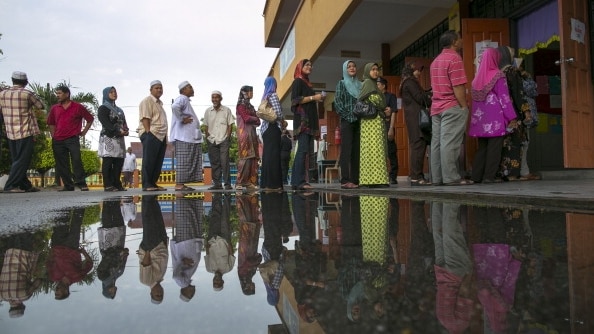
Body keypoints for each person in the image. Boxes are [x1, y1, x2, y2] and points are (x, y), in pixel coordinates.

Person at [429, 30, 472, 186]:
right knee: (450, 143)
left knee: (437, 144)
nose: (461, 40)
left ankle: (437, 178)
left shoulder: (435, 61)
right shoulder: (455, 58)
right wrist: (464, 107)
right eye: (459, 38)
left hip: (436, 108)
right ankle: (451, 178)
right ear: (454, 41)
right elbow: (458, 87)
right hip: (451, 106)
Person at [469, 48, 517, 184]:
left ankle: (476, 176)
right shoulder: (498, 75)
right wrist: (511, 117)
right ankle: (489, 177)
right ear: (495, 59)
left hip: (480, 120)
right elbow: (504, 98)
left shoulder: (476, 79)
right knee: (494, 148)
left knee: (482, 148)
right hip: (494, 118)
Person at [0, 71, 44, 193]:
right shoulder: (27, 93)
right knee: (22, 160)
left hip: (9, 131)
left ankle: (26, 185)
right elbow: (41, 106)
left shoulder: (3, 94)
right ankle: (10, 186)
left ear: (12, 80)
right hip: (25, 131)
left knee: (17, 159)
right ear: (25, 82)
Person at [47, 85, 94, 191]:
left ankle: (81, 184)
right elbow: (51, 123)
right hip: (58, 139)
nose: (57, 96)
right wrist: (53, 136)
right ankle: (68, 185)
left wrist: (84, 132)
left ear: (67, 94)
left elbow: (90, 119)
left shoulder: (78, 107)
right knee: (62, 163)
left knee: (76, 160)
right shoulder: (55, 108)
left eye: (59, 93)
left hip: (72, 138)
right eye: (57, 93)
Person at [290, 59, 325, 190]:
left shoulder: (307, 84)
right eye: (307, 65)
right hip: (303, 122)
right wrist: (314, 98)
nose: (310, 67)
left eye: (311, 65)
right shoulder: (298, 81)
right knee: (302, 151)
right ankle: (299, 182)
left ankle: (297, 181)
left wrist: (319, 98)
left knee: (305, 152)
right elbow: (295, 100)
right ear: (300, 67)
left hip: (310, 121)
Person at [47, 208, 93, 300]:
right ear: (66, 292)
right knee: (76, 222)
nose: (56, 290)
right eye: (58, 293)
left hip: (57, 245)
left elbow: (49, 262)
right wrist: (84, 252)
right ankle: (80, 201)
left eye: (55, 292)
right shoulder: (77, 277)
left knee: (61, 220)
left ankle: (64, 199)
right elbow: (89, 264)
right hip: (72, 246)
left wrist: (51, 252)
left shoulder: (53, 276)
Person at [400, 63, 432, 185]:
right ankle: (416, 177)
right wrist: (429, 95)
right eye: (417, 70)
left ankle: (417, 176)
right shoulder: (410, 82)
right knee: (419, 146)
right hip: (416, 119)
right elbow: (420, 98)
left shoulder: (406, 82)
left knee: (417, 146)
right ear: (411, 71)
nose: (419, 73)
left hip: (412, 119)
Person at [358, 62, 389, 187]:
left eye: (377, 69)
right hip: (370, 123)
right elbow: (377, 101)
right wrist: (383, 106)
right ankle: (371, 180)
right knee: (372, 150)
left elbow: (380, 101)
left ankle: (377, 179)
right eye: (373, 70)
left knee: (377, 150)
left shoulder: (374, 85)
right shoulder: (368, 83)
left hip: (376, 121)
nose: (376, 72)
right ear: (367, 71)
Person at [0, 232, 42, 318]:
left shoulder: (24, 296)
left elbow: (38, 281)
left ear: (22, 306)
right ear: (10, 308)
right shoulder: (0, 296)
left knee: (26, 229)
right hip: (9, 253)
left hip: (23, 254)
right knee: (14, 229)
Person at [171, 81, 203, 192]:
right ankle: (179, 185)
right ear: (183, 90)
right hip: (183, 137)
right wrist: (182, 119)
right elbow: (175, 107)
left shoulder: (185, 100)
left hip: (187, 137)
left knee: (186, 160)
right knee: (183, 161)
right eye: (190, 87)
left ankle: (181, 184)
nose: (192, 88)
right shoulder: (182, 98)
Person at [334, 60, 361, 189]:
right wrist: (349, 116)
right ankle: (345, 180)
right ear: (345, 69)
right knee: (347, 150)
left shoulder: (360, 85)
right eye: (349, 66)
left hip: (359, 121)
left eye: (354, 66)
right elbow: (338, 104)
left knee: (356, 151)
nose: (352, 68)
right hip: (346, 121)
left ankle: (355, 179)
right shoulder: (341, 84)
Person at [170, 197, 203, 302]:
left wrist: (183, 262)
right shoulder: (187, 279)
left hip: (185, 244)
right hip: (191, 242)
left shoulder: (182, 283)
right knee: (192, 216)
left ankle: (182, 197)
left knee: (186, 216)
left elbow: (175, 276)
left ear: (185, 292)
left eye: (191, 294)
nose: (193, 292)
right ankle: (186, 198)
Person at [137, 195, 169, 304]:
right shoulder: (160, 278)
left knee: (149, 219)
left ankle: (146, 196)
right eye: (161, 294)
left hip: (151, 247)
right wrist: (165, 244)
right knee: (157, 217)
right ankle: (152, 198)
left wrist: (148, 249)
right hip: (160, 244)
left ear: (151, 293)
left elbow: (146, 264)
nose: (159, 292)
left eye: (157, 295)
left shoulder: (146, 281)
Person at [137, 80, 168, 192]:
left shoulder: (160, 104)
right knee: (149, 160)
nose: (159, 90)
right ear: (151, 90)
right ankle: (146, 184)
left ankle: (153, 183)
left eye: (161, 88)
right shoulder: (147, 101)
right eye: (156, 88)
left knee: (157, 161)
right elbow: (145, 118)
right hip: (151, 133)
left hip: (161, 136)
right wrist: (148, 132)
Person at [97, 86, 129, 192]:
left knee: (119, 161)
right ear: (106, 94)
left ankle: (117, 183)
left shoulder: (120, 110)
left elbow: (124, 123)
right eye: (111, 92)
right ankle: (108, 184)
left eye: (115, 92)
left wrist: (126, 130)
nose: (114, 93)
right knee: (108, 161)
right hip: (108, 138)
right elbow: (105, 123)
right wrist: (116, 131)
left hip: (119, 139)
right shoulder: (103, 108)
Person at [97, 200, 129, 299]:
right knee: (117, 214)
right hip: (119, 241)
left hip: (108, 243)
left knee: (107, 214)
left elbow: (106, 259)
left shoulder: (103, 277)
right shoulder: (119, 274)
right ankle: (115, 197)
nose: (113, 290)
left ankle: (107, 195)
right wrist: (125, 253)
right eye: (114, 292)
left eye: (110, 292)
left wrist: (118, 253)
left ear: (106, 290)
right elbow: (123, 260)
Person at [204, 90, 235, 190]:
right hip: (212, 140)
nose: (214, 99)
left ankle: (227, 184)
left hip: (223, 140)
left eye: (216, 97)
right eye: (213, 97)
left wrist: (228, 137)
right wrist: (208, 137)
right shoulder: (208, 111)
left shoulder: (226, 110)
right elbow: (206, 126)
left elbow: (230, 124)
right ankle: (217, 183)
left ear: (221, 98)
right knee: (214, 162)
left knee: (224, 162)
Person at [205, 193, 235, 292]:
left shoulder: (209, 268)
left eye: (214, 283)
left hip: (212, 239)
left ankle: (217, 196)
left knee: (215, 215)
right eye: (218, 283)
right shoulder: (228, 268)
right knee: (225, 217)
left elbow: (207, 254)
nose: (216, 281)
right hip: (224, 239)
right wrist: (228, 242)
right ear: (222, 282)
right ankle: (227, 195)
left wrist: (208, 244)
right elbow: (231, 254)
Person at [259, 77, 284, 190]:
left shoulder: (264, 97)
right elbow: (278, 113)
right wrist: (283, 120)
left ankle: (266, 183)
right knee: (274, 156)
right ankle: (274, 184)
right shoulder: (273, 95)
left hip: (265, 130)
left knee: (267, 156)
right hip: (273, 128)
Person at [235, 85, 261, 191]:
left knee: (253, 158)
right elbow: (245, 118)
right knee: (245, 158)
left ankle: (249, 182)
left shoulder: (251, 106)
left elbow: (258, 122)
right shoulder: (240, 106)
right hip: (244, 134)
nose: (252, 93)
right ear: (244, 93)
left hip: (253, 134)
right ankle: (240, 182)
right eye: (250, 91)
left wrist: (254, 118)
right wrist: (255, 117)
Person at [377, 76, 399, 184]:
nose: (376, 86)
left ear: (383, 85)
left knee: (391, 151)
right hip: (377, 127)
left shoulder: (391, 96)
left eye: (378, 84)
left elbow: (393, 112)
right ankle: (381, 175)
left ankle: (393, 176)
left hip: (387, 125)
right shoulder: (376, 97)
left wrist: (391, 128)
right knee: (380, 152)